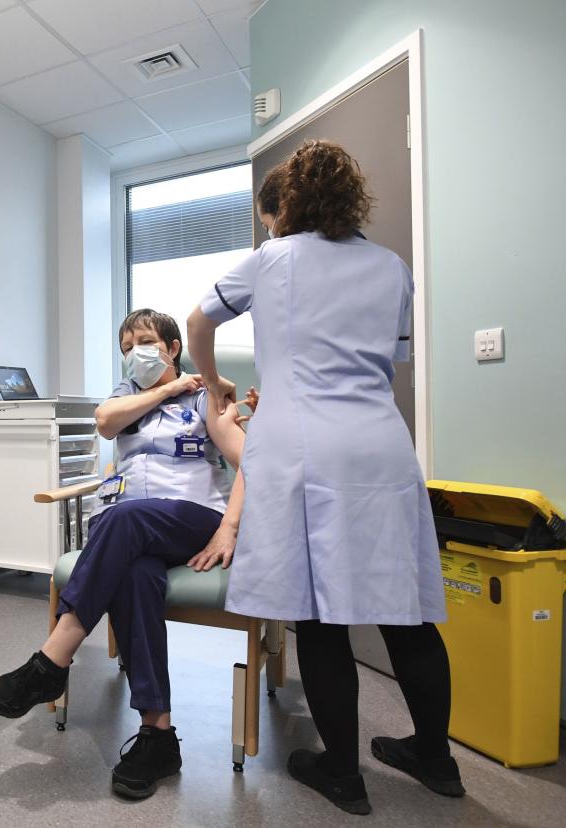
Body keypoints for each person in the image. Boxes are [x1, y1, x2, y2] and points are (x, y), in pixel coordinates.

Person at [187, 140, 464, 816]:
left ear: (287, 207)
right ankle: (436, 759)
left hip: (305, 450)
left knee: (318, 616)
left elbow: (198, 320)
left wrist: (218, 378)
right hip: (382, 448)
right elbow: (390, 362)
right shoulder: (393, 267)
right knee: (409, 612)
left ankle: (342, 771)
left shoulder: (272, 259)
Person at [0, 309, 249, 800]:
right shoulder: (126, 399)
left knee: (125, 520)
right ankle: (158, 734)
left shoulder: (208, 397)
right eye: (126, 346)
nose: (134, 353)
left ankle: (52, 660)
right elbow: (104, 423)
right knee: (136, 575)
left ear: (171, 347)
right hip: (131, 530)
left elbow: (250, 459)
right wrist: (166, 389)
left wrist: (231, 527)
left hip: (192, 519)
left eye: (145, 341)